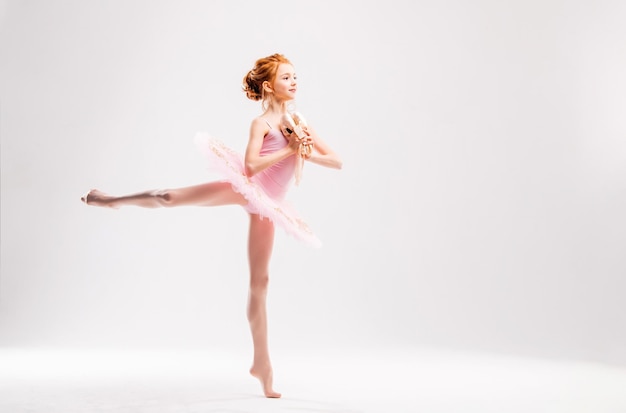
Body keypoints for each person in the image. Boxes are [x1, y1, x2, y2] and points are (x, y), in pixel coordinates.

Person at [81, 53, 343, 398]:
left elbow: (336, 161)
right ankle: (110, 200)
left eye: (295, 76)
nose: (294, 82)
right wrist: (288, 151)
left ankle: (261, 364)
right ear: (269, 86)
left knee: (260, 283)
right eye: (286, 78)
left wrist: (304, 150)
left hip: (270, 205)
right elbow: (250, 168)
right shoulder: (261, 124)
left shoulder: (299, 122)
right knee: (169, 196)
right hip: (247, 188)